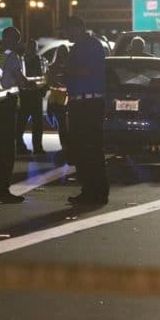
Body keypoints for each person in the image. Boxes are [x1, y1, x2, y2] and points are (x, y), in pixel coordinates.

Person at [0, 26, 29, 203]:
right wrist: (30, 83)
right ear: (14, 40)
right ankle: (3, 191)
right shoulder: (12, 57)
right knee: (7, 152)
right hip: (6, 107)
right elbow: (20, 81)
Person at [64, 16, 108, 206]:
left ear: (79, 28)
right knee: (80, 150)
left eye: (69, 30)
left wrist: (67, 69)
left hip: (90, 103)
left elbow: (86, 70)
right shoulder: (75, 48)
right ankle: (88, 190)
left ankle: (98, 192)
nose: (66, 34)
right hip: (77, 103)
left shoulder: (93, 45)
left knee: (92, 149)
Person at [16, 39, 48, 155]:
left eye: (34, 47)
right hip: (25, 95)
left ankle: (38, 148)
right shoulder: (21, 60)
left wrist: (43, 89)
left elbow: (45, 76)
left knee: (37, 125)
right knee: (21, 123)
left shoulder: (41, 60)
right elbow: (17, 76)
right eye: (30, 47)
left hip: (36, 94)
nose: (32, 49)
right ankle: (19, 146)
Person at [47, 44, 70, 156]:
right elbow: (50, 82)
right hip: (56, 99)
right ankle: (64, 145)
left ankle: (68, 145)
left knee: (67, 124)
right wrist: (60, 85)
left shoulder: (71, 66)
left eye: (64, 52)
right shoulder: (52, 66)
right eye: (61, 53)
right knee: (61, 124)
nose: (62, 55)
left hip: (68, 99)